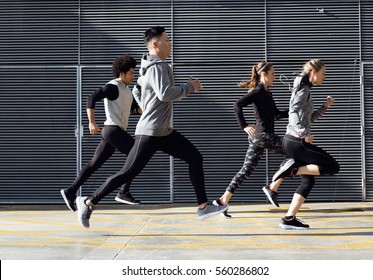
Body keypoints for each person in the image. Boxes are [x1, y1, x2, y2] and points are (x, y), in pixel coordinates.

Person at [75, 26, 228, 228]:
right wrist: (190, 87)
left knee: (195, 157)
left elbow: (140, 92)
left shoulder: (149, 67)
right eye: (167, 40)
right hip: (150, 132)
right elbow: (165, 93)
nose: (170, 43)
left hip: (164, 131)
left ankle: (203, 207)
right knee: (127, 172)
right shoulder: (157, 67)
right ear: (156, 44)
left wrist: (148, 104)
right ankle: (88, 202)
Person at [60, 54, 142, 212]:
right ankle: (123, 191)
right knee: (137, 155)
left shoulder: (126, 90)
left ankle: (70, 191)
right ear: (122, 73)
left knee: (93, 164)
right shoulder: (113, 86)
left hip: (114, 133)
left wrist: (145, 109)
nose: (133, 75)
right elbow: (92, 98)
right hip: (113, 130)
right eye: (131, 72)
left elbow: (133, 110)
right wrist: (91, 122)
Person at [213, 61, 289, 218]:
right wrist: (244, 126)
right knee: (294, 152)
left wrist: (296, 112)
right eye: (273, 74)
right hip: (264, 136)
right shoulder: (258, 91)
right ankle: (272, 188)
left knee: (246, 170)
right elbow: (237, 105)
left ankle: (221, 202)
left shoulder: (267, 93)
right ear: (264, 74)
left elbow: (276, 114)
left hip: (258, 138)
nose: (274, 77)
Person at [271, 59, 340, 229]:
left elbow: (309, 118)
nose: (324, 77)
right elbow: (293, 110)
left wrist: (325, 106)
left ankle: (289, 219)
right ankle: (289, 170)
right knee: (332, 166)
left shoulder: (304, 88)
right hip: (296, 140)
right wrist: (304, 133)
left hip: (292, 140)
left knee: (308, 182)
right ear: (313, 73)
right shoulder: (303, 89)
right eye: (323, 73)